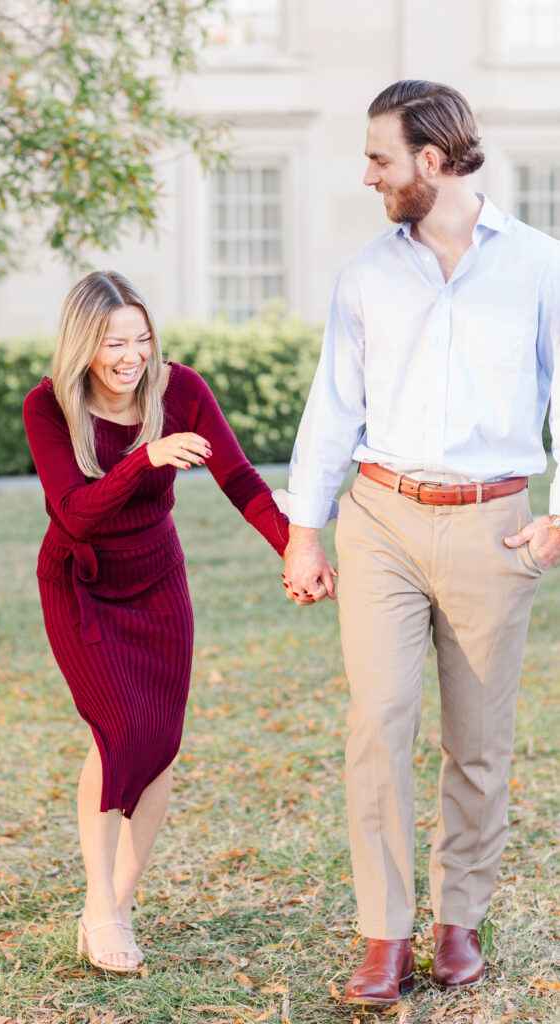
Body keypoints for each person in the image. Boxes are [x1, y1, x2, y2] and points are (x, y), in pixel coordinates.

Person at [277, 80, 560, 1004]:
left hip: (495, 524)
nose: (367, 175)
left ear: (429, 164)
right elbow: (334, 405)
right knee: (378, 724)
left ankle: (456, 923)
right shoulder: (365, 273)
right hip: (383, 519)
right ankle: (384, 936)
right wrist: (303, 531)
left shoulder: (537, 267)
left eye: (379, 159)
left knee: (476, 743)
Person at [23, 270, 289, 975]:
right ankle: (100, 905)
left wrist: (296, 548)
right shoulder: (48, 406)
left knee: (161, 743)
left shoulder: (181, 389)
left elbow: (241, 481)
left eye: (141, 339)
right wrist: (145, 458)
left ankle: (111, 909)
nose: (131, 356)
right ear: (84, 344)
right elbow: (74, 510)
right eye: (114, 342)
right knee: (120, 730)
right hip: (81, 583)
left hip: (157, 579)